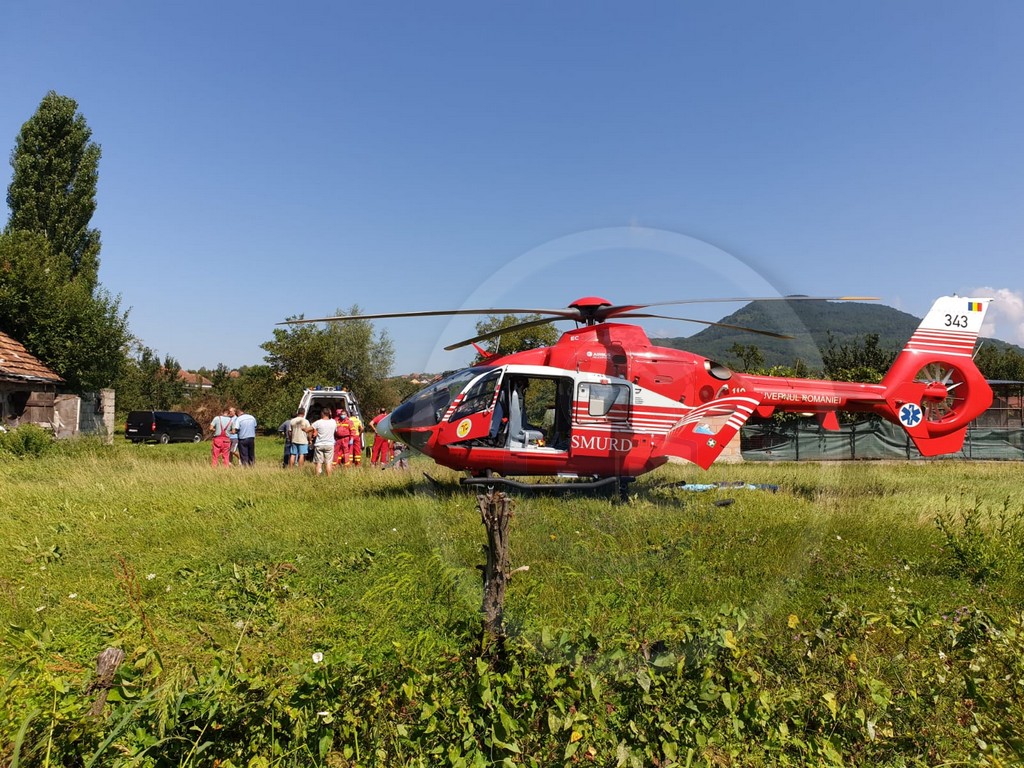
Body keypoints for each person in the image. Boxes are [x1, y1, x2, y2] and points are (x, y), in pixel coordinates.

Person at [310, 407, 338, 476]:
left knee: (319, 462)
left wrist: (303, 429)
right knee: (328, 463)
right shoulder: (333, 422)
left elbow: (308, 429)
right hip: (329, 444)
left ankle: (317, 477)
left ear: (322, 413)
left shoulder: (318, 422)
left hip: (319, 444)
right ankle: (329, 477)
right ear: (329, 413)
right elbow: (336, 431)